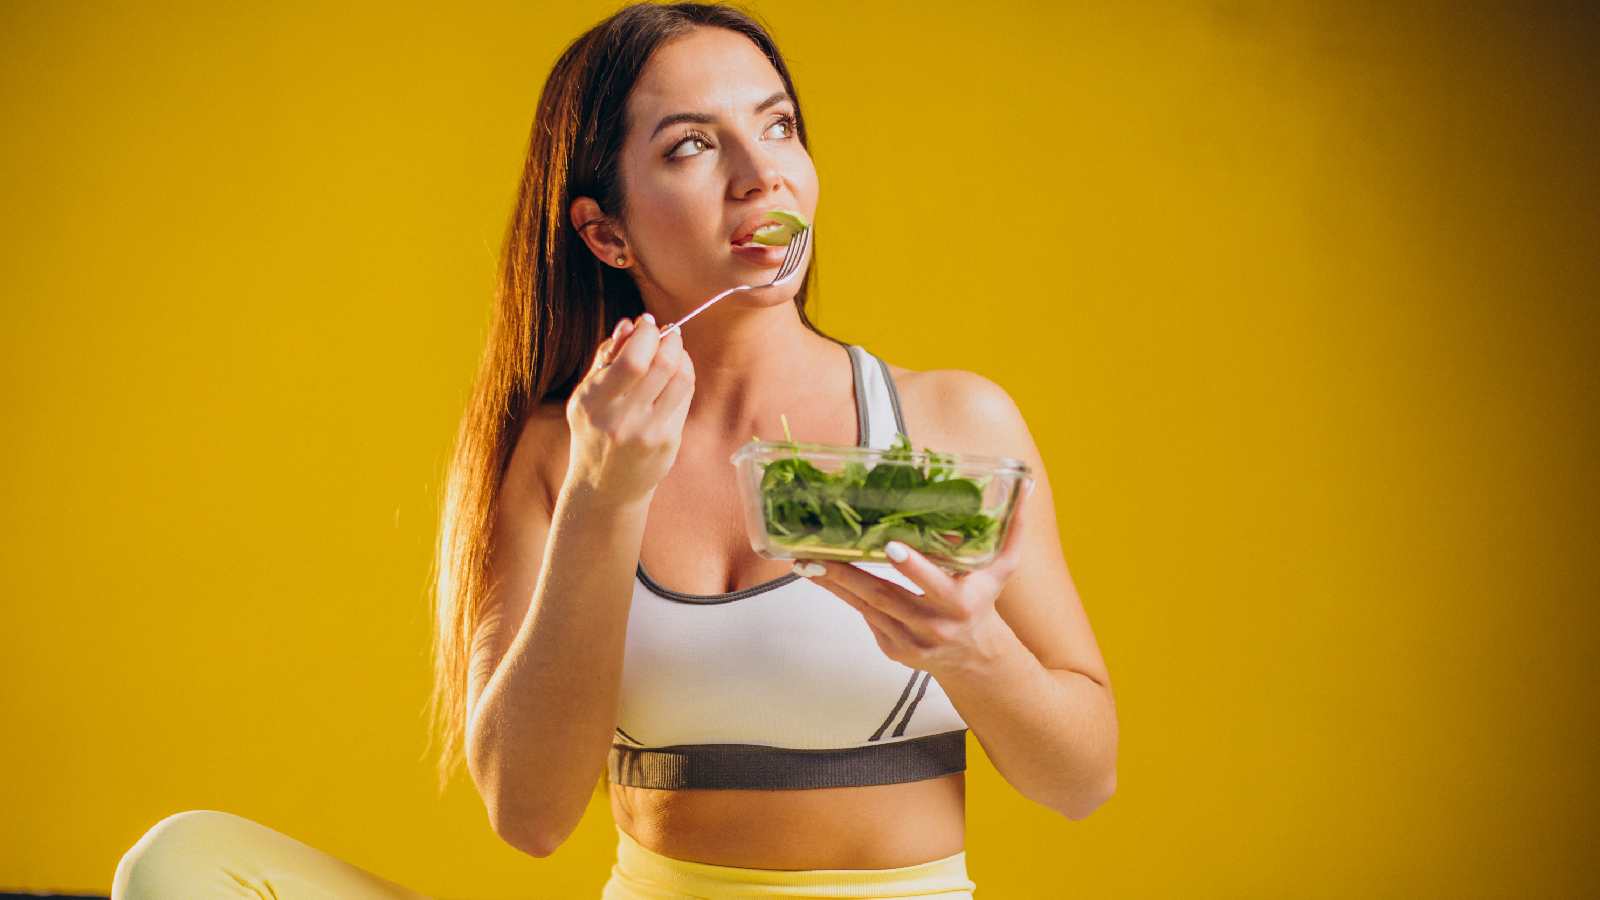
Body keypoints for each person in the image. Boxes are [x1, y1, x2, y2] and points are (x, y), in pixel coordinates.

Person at [112, 3, 1117, 897]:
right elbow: (532, 818)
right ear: (604, 234)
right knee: (180, 864)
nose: (761, 172)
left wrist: (972, 652)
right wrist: (603, 492)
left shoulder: (937, 431)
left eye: (778, 126)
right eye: (692, 146)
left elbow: (1083, 779)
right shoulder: (565, 452)